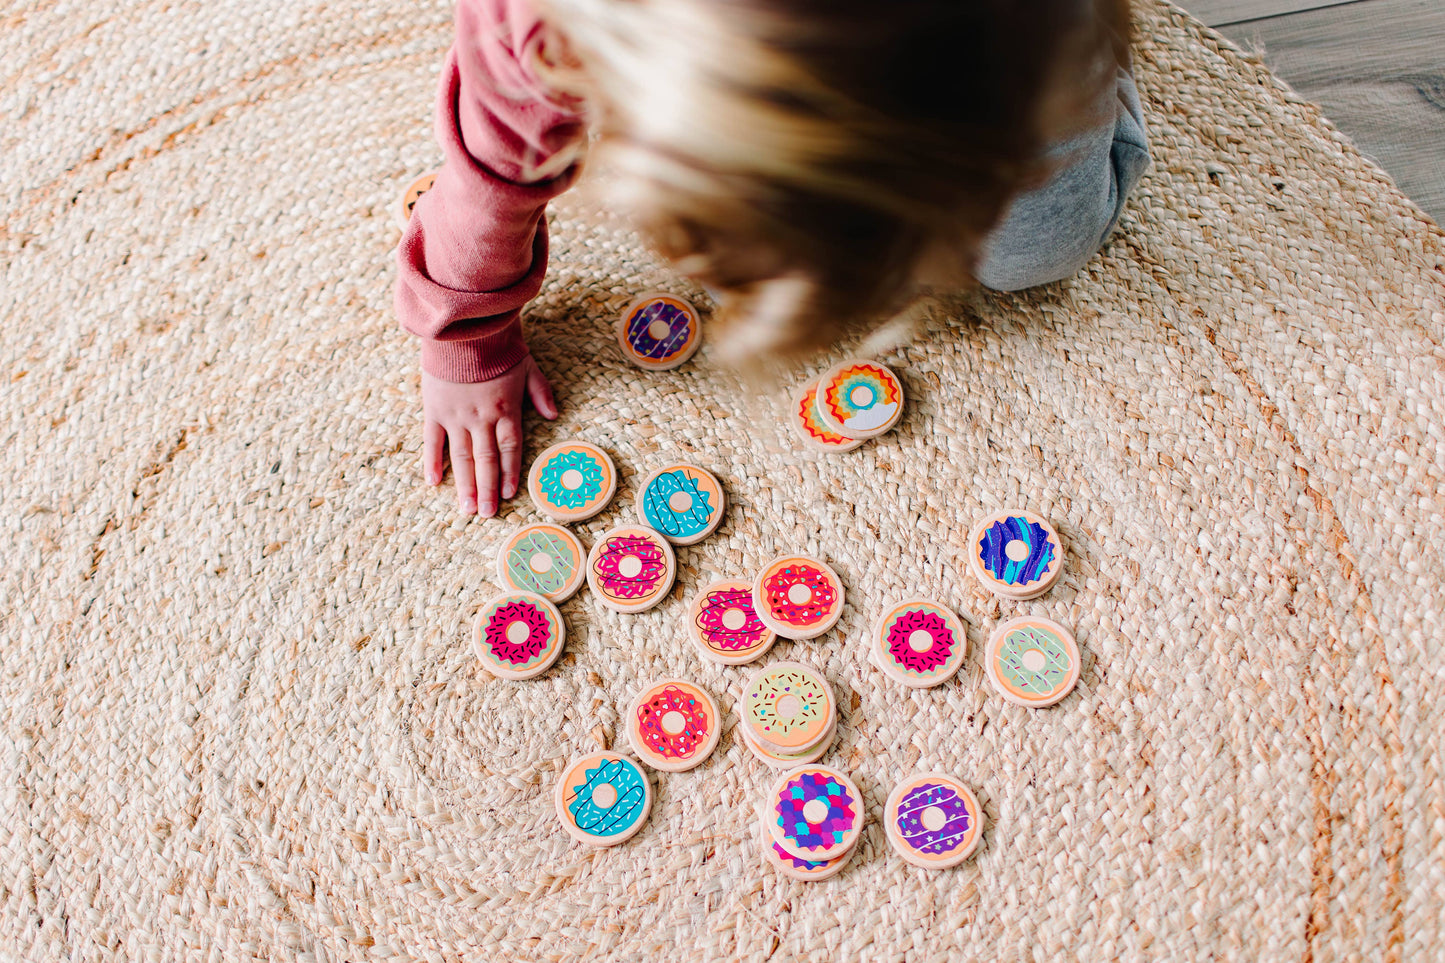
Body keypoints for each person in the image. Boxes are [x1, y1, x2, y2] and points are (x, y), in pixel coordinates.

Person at [395, 0, 1150, 516]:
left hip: (1016, 36)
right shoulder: (542, 30)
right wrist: (467, 334)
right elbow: (488, 179)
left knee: (1037, 244)